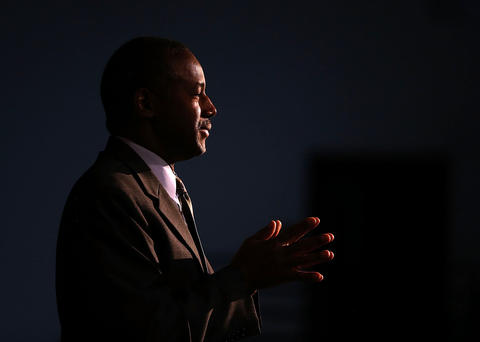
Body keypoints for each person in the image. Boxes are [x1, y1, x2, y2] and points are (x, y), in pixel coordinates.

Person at [56, 36, 335, 342]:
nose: (211, 108)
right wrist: (243, 276)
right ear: (146, 103)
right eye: (197, 94)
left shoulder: (162, 188)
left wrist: (248, 276)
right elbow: (148, 330)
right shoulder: (110, 194)